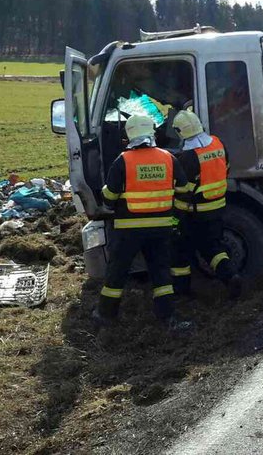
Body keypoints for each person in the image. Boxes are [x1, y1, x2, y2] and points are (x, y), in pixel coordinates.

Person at [94, 114, 191, 330]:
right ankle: (167, 317)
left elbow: (110, 197)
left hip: (128, 229)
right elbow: (184, 190)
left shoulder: (123, 161)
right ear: (152, 132)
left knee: (117, 272)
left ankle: (105, 314)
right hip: (161, 228)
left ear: (129, 135)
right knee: (161, 272)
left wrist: (105, 194)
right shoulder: (168, 158)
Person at [169, 110, 243, 299]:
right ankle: (230, 276)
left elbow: (183, 190)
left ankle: (183, 292)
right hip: (218, 206)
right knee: (213, 247)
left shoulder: (187, 157)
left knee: (180, 250)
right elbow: (226, 168)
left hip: (194, 212)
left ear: (180, 132)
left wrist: (174, 213)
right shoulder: (218, 143)